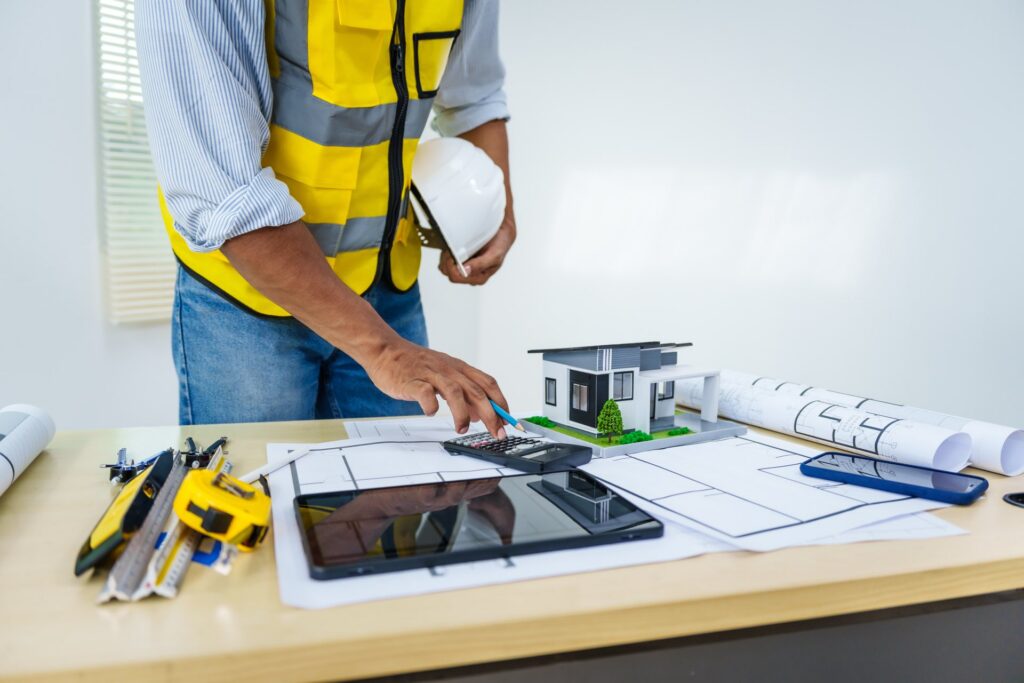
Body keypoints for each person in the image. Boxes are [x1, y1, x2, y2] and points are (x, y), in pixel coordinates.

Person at [136, 0, 514, 437]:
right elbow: (224, 192)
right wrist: (384, 351)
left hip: (386, 289)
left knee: (397, 498)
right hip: (248, 298)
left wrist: (498, 214)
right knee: (254, 492)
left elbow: (476, 97)